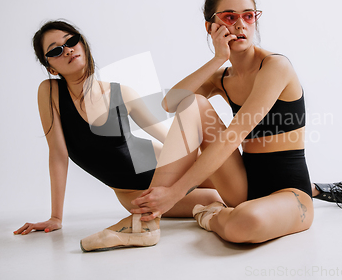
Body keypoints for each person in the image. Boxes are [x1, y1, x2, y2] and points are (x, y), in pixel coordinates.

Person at [79, 0, 342, 251]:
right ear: (211, 26)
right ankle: (145, 224)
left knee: (243, 224)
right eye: (229, 17)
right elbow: (171, 104)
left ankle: (213, 213)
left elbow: (231, 138)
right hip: (244, 185)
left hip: (289, 190)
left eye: (248, 16)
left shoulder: (275, 67)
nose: (240, 24)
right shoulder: (222, 77)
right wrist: (217, 59)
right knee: (192, 106)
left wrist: (175, 193)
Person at [14, 21, 223, 239]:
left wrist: (207, 158)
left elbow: (170, 138)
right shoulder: (50, 92)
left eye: (71, 41)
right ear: (50, 67)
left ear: (83, 44)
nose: (67, 50)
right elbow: (58, 154)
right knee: (216, 199)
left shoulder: (122, 93)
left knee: (237, 192)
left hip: (170, 166)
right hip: (136, 194)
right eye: (56, 50)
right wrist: (56, 217)